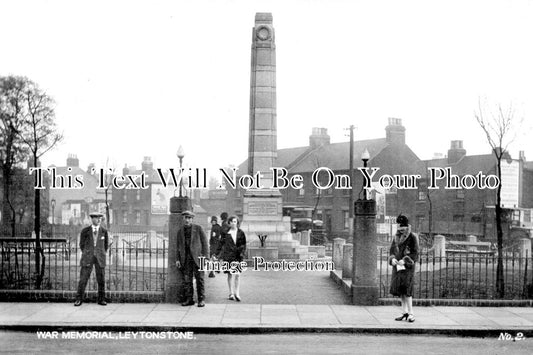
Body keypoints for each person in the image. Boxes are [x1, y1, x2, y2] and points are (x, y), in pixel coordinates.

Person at [389, 214, 419, 322]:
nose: (400, 229)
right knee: (400, 290)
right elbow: (392, 251)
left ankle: (411, 313)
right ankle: (404, 312)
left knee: (407, 290)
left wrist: (405, 260)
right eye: (399, 227)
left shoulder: (412, 237)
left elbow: (415, 254)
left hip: (407, 268)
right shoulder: (396, 236)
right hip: (397, 267)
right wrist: (392, 259)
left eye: (402, 227)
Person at [74, 212, 109, 306]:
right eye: (97, 218)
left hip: (100, 258)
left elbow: (105, 246)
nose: (99, 220)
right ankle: (79, 299)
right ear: (92, 219)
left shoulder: (104, 231)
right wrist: (88, 252)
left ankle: (101, 300)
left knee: (101, 280)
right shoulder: (85, 231)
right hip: (87, 257)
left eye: (100, 218)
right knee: (83, 279)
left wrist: (99, 253)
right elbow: (81, 245)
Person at [176, 210, 209, 307]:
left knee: (200, 279)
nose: (187, 220)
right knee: (187, 280)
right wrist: (178, 259)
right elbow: (178, 247)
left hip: (198, 258)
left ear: (192, 219)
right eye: (185, 218)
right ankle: (189, 299)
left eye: (189, 218)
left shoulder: (198, 229)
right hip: (186, 259)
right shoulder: (180, 231)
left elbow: (205, 244)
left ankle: (201, 300)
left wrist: (206, 257)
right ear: (183, 219)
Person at [216, 215, 246, 302]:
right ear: (229, 223)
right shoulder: (226, 233)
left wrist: (242, 254)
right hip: (228, 256)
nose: (234, 223)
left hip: (237, 256)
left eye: (235, 221)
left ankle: (237, 293)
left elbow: (243, 245)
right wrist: (216, 254)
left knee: (237, 274)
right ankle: (231, 293)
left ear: (237, 223)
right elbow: (221, 244)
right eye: (232, 221)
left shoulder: (241, 233)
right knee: (230, 274)